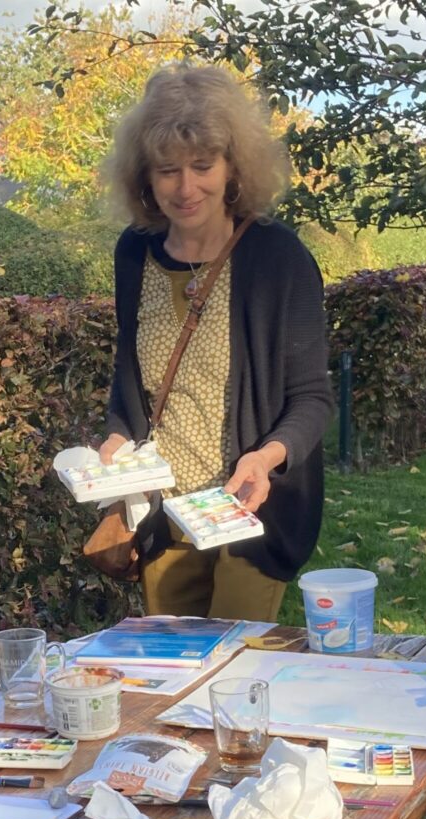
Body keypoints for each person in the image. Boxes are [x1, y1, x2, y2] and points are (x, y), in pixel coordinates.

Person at [95, 63, 332, 621]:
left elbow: (314, 399)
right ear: (144, 176)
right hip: (163, 517)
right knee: (169, 681)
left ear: (233, 168)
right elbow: (130, 377)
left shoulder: (279, 259)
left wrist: (266, 456)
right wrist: (115, 437)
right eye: (167, 169)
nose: (185, 187)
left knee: (233, 671)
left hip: (247, 515)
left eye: (203, 165)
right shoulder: (134, 254)